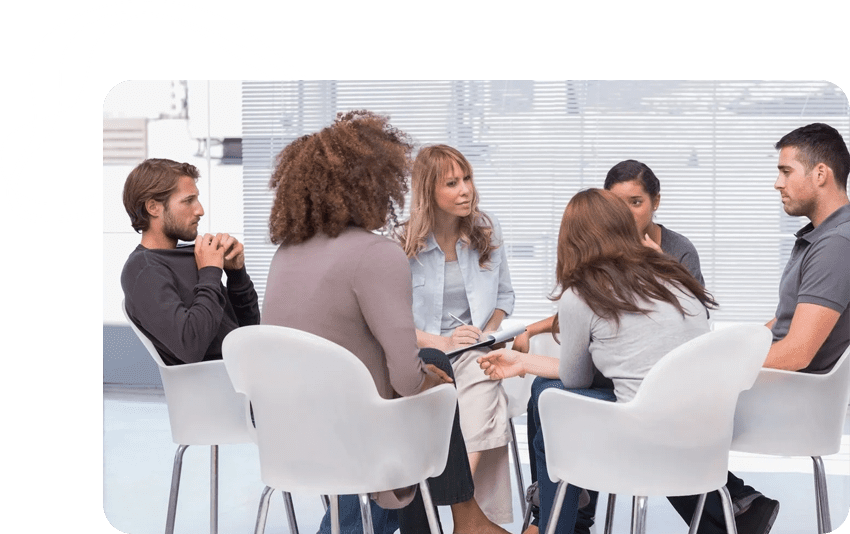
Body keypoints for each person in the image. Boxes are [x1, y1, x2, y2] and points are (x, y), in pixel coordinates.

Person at [259, 111, 510, 534]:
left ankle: (464, 522)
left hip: (284, 433)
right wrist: (440, 383)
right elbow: (409, 380)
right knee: (432, 380)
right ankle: (469, 520)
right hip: (358, 435)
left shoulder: (286, 254)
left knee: (422, 392)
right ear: (371, 186)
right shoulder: (376, 254)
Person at [477, 188, 718, 534]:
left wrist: (527, 365)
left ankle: (555, 524)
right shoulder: (674, 277)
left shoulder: (583, 295)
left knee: (550, 403)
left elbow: (574, 383)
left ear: (571, 240)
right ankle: (557, 520)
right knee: (546, 391)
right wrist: (523, 363)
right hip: (704, 429)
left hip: (642, 432)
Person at [667, 122, 850, 534]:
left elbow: (797, 352)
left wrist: (712, 369)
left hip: (795, 402)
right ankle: (740, 508)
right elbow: (783, 323)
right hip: (785, 391)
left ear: (820, 174)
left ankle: (735, 514)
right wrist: (721, 349)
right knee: (666, 394)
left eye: (786, 171)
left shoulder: (838, 243)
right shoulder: (821, 238)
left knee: (662, 407)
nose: (776, 183)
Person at [396, 144, 516, 525]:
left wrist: (487, 333)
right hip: (425, 351)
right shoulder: (399, 243)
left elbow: (504, 297)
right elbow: (393, 321)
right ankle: (469, 518)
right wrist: (445, 343)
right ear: (428, 191)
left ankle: (450, 505)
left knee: (483, 372)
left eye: (466, 178)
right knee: (471, 386)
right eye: (452, 183)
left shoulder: (487, 228)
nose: (466, 189)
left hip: (477, 346)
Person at [121, 158, 260, 365]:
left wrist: (236, 273)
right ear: (153, 208)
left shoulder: (194, 256)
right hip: (220, 384)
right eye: (188, 201)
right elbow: (191, 345)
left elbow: (248, 330)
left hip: (248, 372)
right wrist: (211, 271)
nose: (200, 210)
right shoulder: (144, 269)